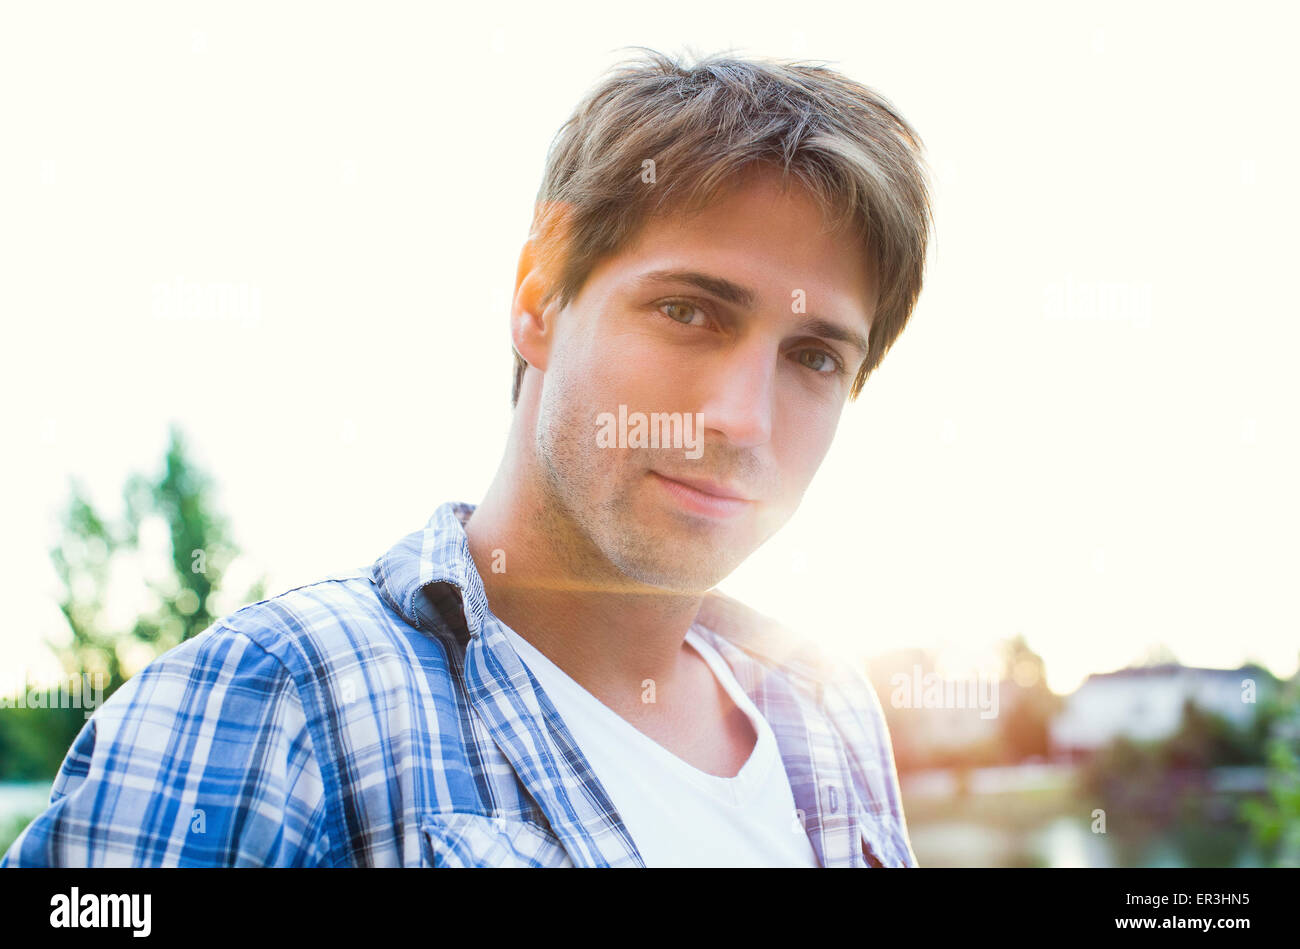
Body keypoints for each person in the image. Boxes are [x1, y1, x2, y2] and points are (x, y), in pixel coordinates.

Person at [3, 47, 932, 867]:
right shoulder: (275, 705)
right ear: (538, 296)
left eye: (814, 357)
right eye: (688, 311)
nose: (741, 420)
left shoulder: (826, 709)